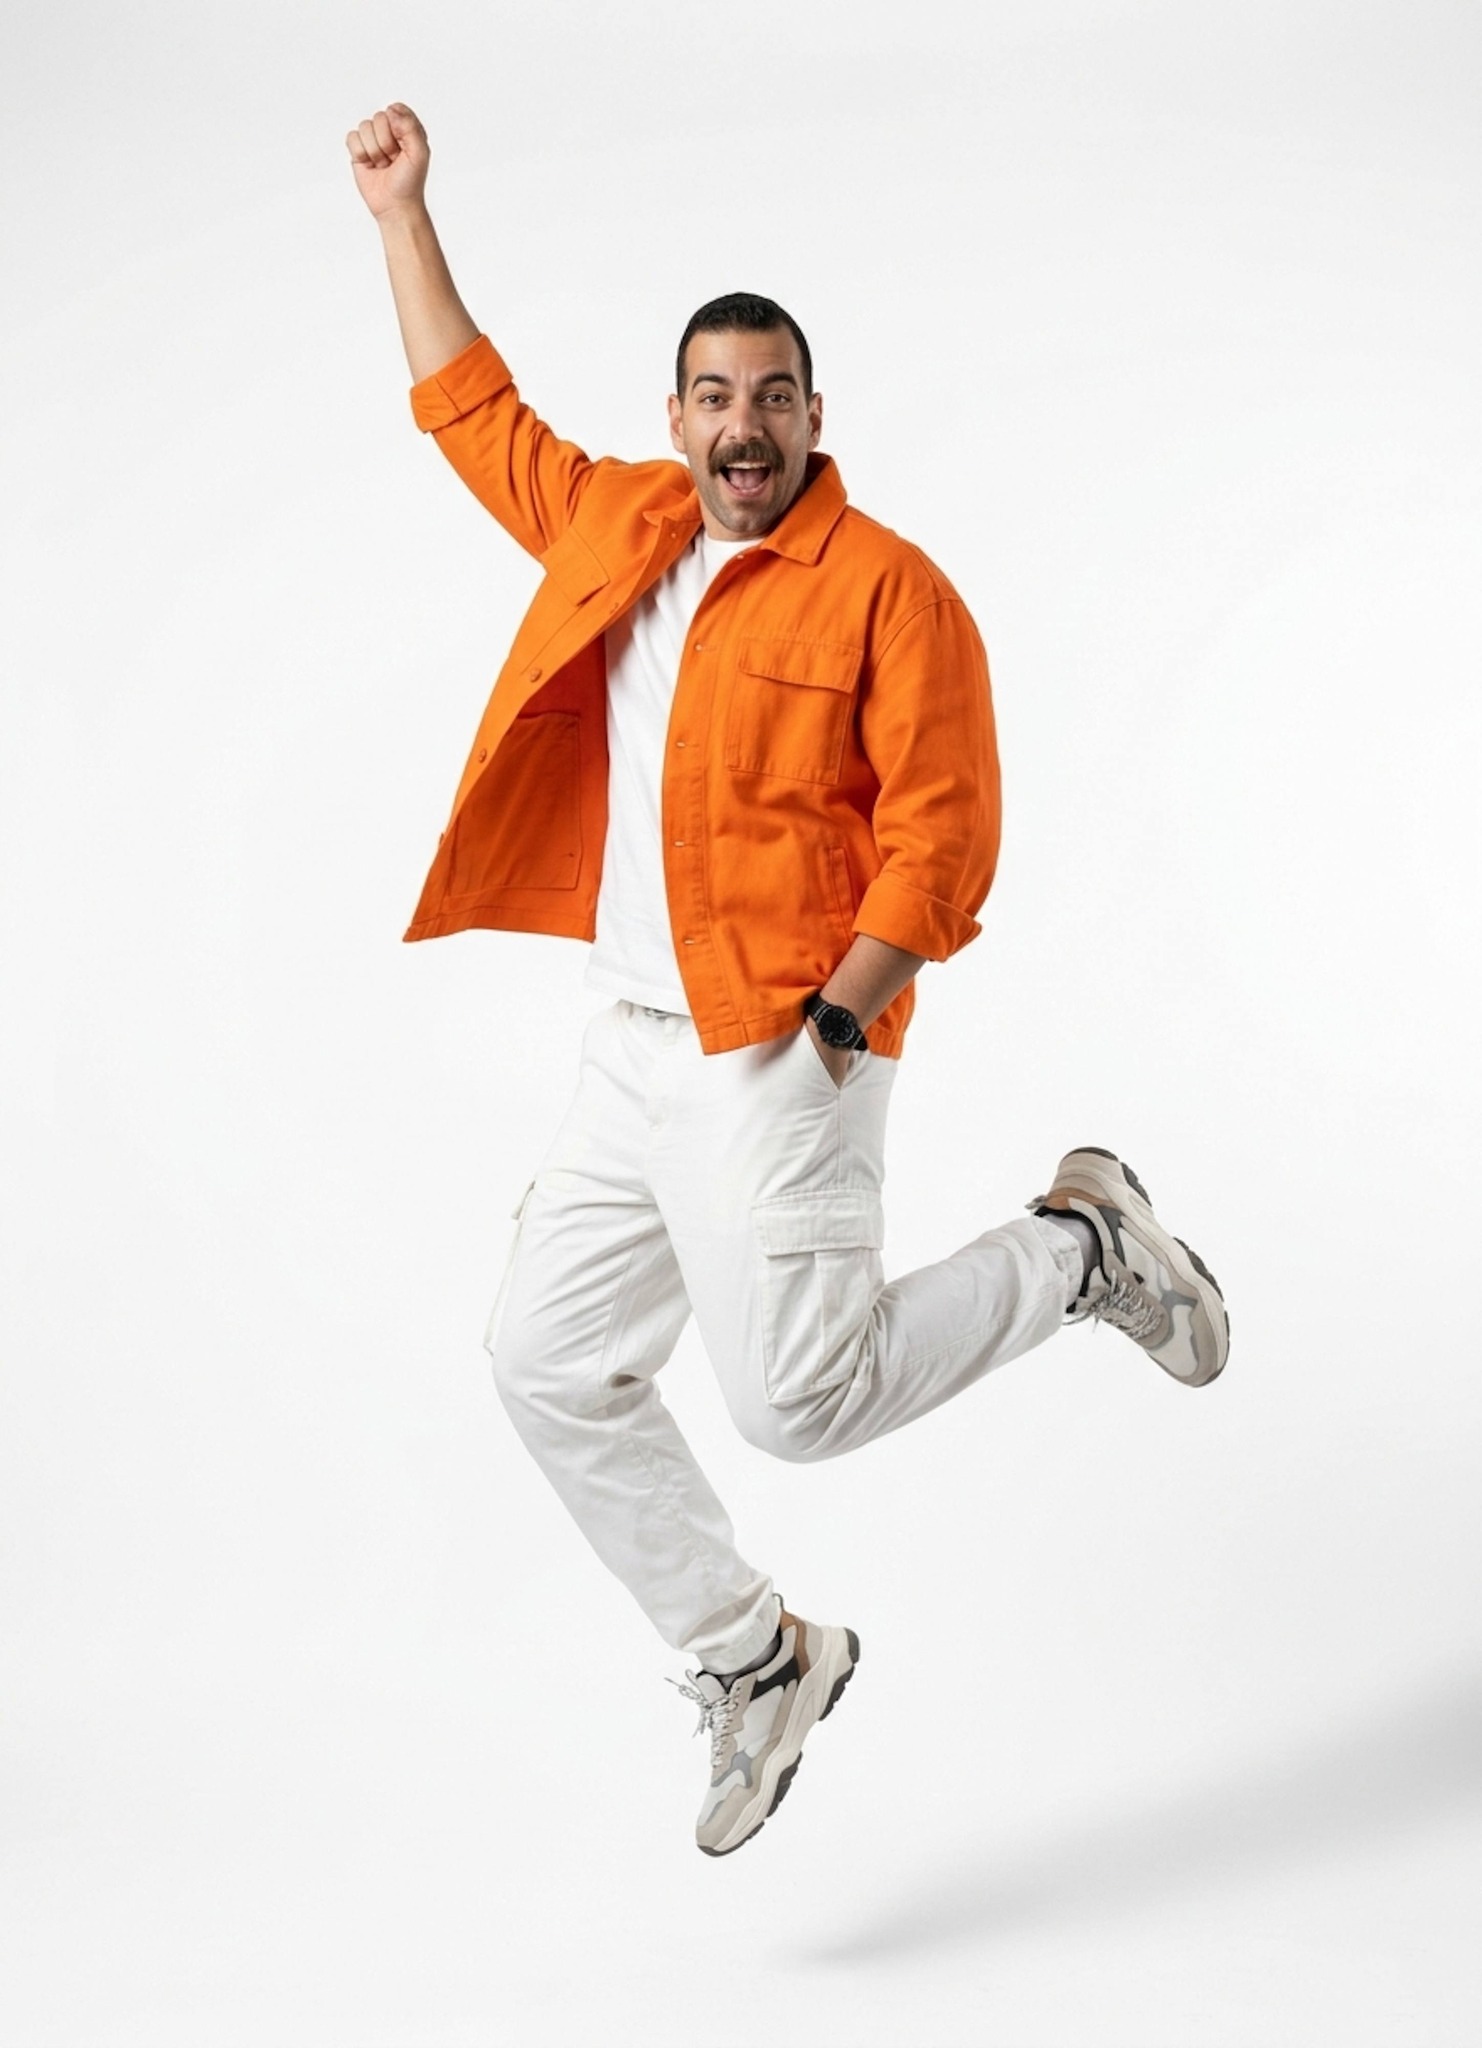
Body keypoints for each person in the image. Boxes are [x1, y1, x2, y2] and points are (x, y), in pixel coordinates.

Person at [347, 100, 1229, 1858]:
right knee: (542, 1362)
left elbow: (945, 839)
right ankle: (753, 1659)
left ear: (815, 419)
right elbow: (472, 416)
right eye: (710, 398)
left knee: (797, 1407)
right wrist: (401, 219)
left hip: (782, 1043)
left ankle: (1080, 1249)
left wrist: (836, 1026)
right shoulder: (618, 525)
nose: (739, 429)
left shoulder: (891, 594)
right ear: (674, 418)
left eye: (770, 398)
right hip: (627, 1045)